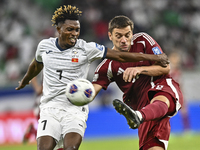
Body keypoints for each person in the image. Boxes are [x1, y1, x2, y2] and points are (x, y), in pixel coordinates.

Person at [15, 5, 169, 150]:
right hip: (50, 108)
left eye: (77, 30)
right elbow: (36, 65)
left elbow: (120, 55)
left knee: (71, 147)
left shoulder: (87, 48)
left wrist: (155, 58)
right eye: (70, 29)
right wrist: (25, 80)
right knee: (44, 148)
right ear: (58, 29)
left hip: (75, 109)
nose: (75, 33)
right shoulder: (44, 46)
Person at [92, 15, 183, 150]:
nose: (124, 40)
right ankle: (139, 115)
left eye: (127, 35)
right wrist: (80, 93)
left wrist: (139, 69)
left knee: (161, 97)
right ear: (110, 36)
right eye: (118, 36)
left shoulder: (142, 40)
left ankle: (138, 115)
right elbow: (92, 90)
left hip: (161, 86)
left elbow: (166, 67)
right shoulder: (107, 65)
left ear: (132, 34)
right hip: (144, 109)